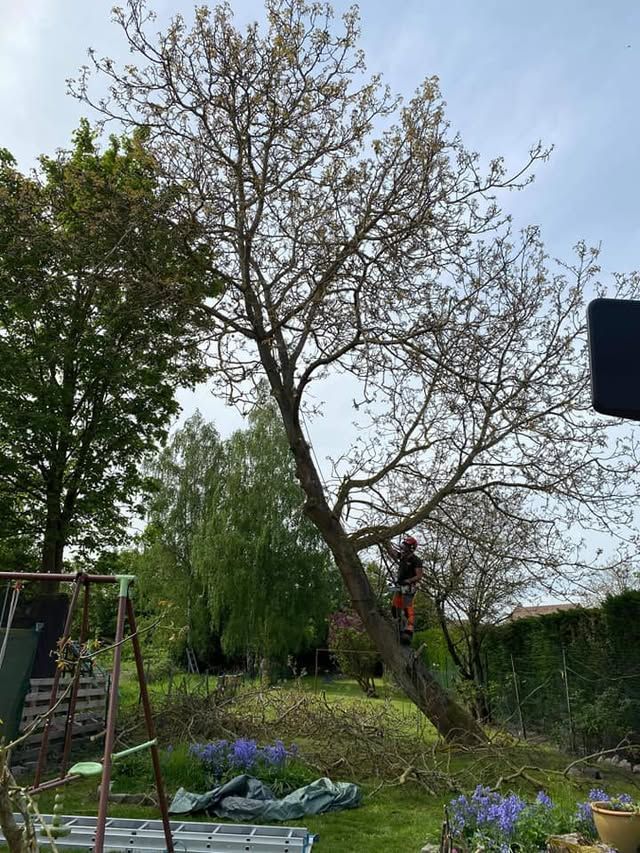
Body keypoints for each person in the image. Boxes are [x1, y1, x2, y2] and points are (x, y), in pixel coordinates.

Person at [384, 536, 423, 644]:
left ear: (411, 548)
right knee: (394, 607)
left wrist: (409, 580)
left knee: (407, 608)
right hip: (399, 585)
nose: (403, 548)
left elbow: (419, 575)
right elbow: (392, 553)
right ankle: (399, 626)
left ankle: (408, 632)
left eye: (406, 546)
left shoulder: (416, 560)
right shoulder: (402, 556)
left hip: (409, 587)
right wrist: (385, 542)